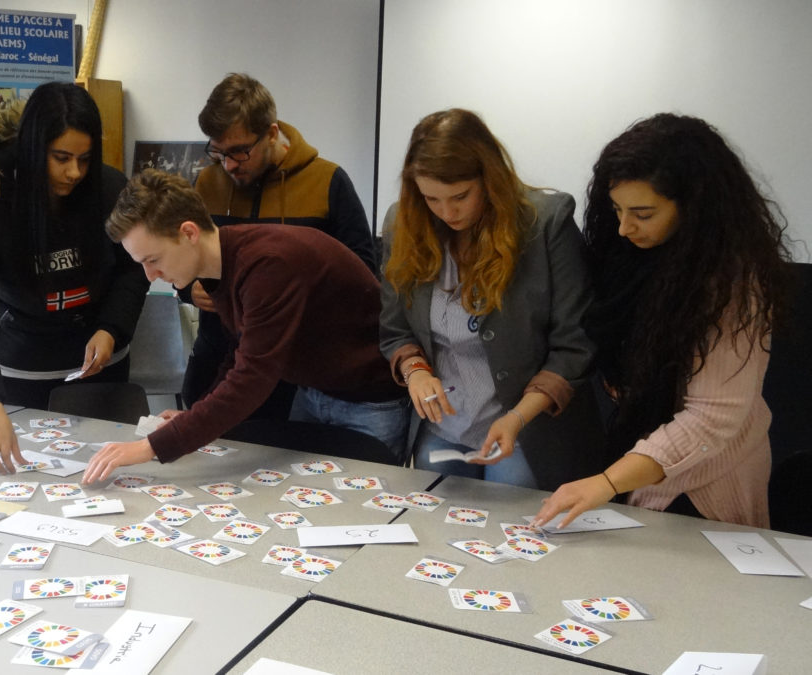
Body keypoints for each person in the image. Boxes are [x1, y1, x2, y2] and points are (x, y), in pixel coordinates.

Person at [533, 114, 790, 529]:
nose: (624, 227)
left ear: (695, 206)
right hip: (639, 460)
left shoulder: (734, 283)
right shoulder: (633, 257)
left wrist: (606, 481)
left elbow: (713, 416)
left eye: (643, 213)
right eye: (617, 209)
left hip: (707, 484)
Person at [81, 170, 407, 482]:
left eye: (153, 260)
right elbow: (240, 351)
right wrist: (195, 413)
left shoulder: (268, 266)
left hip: (369, 400)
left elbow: (251, 378)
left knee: (364, 508)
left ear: (189, 233)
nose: (151, 277)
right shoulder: (219, 265)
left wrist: (151, 446)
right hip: (314, 392)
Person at [380, 109, 604, 490]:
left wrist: (518, 418)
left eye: (460, 196)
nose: (447, 212)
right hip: (446, 425)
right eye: (431, 198)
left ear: (490, 178)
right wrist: (415, 370)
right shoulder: (404, 223)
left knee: (509, 529)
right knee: (433, 525)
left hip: (527, 427)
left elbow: (574, 345)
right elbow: (394, 329)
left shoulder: (544, 222)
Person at [0, 82, 148, 474]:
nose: (74, 172)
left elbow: (133, 270)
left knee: (102, 481)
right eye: (61, 157)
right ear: (33, 147)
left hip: (100, 369)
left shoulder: (108, 188)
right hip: (22, 372)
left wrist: (111, 329)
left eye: (85, 159)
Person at [184, 73, 377, 420]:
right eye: (218, 151)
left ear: (272, 134)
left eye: (240, 152)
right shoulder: (206, 183)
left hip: (297, 374)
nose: (228, 165)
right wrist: (188, 287)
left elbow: (362, 278)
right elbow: (183, 255)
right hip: (218, 360)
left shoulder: (327, 182)